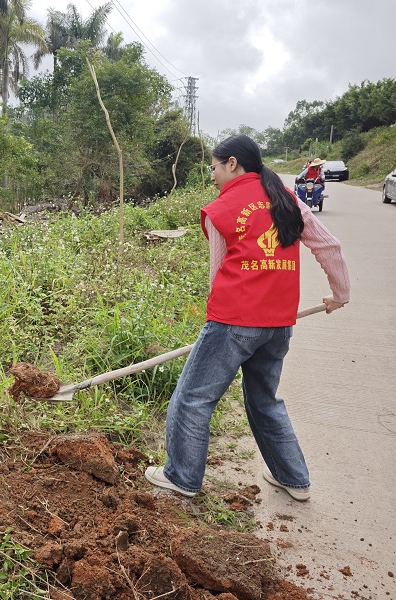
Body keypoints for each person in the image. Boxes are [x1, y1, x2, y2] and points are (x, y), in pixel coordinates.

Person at [145, 135, 350, 502]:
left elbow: (217, 274)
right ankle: (294, 480)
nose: (212, 176)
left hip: (233, 322)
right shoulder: (287, 198)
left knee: (192, 399)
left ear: (233, 164)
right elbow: (329, 245)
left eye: (214, 167)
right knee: (264, 401)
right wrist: (340, 294)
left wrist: (215, 323)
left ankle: (182, 477)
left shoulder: (223, 209)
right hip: (279, 324)